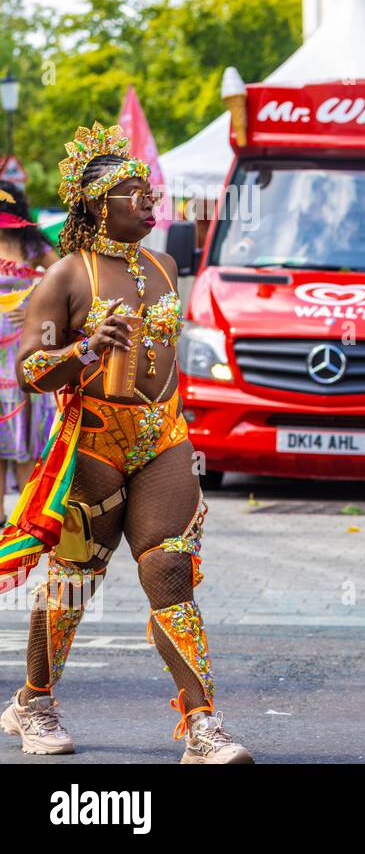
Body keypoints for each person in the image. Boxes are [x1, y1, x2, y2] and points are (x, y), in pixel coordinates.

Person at [0, 123, 252, 762]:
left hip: (162, 435)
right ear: (94, 204)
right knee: (75, 579)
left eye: (149, 191)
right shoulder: (65, 276)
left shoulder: (165, 265)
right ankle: (35, 701)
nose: (150, 201)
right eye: (132, 191)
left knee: (168, 566)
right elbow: (30, 369)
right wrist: (84, 349)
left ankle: (201, 725)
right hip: (92, 447)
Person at [0, 183, 59, 520]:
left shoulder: (30, 242)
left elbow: (64, 275)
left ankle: (25, 519)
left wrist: (36, 303)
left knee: (23, 429)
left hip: (20, 345)